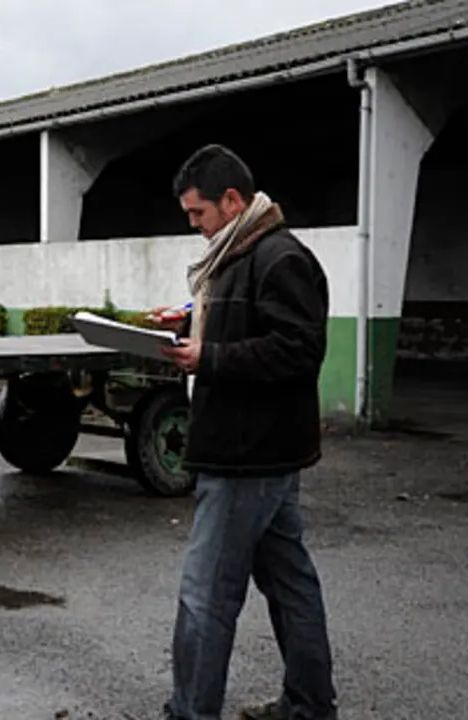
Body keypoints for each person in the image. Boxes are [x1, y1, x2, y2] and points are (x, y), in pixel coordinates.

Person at [153, 144, 338, 720]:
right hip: (264, 453)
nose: (194, 226)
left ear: (232, 201)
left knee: (206, 595)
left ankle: (192, 711)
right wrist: (187, 323)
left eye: (199, 213)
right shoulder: (237, 255)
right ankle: (309, 706)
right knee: (289, 585)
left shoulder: (280, 258)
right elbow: (248, 325)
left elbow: (299, 350)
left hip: (247, 454)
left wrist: (209, 357)